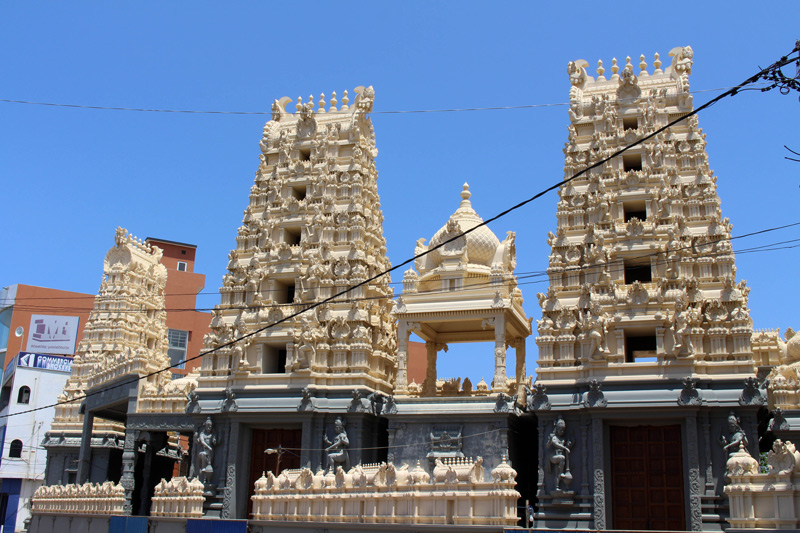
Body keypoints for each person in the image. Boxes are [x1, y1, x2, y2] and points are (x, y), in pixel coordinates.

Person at [547, 417, 573, 491]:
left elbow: (566, 447)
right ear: (557, 429)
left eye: (563, 430)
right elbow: (555, 444)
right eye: (560, 430)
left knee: (557, 471)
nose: (562, 431)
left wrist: (569, 444)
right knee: (562, 458)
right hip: (554, 456)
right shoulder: (554, 437)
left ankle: (557, 487)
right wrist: (565, 448)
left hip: (560, 457)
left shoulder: (563, 438)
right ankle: (561, 473)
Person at [196, 418, 217, 483]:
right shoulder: (202, 434)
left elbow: (215, 442)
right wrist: (208, 447)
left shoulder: (212, 434)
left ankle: (207, 480)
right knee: (203, 454)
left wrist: (215, 440)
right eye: (207, 426)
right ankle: (203, 468)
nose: (209, 428)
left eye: (210, 426)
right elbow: (202, 441)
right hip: (204, 450)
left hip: (210, 452)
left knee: (209, 464)